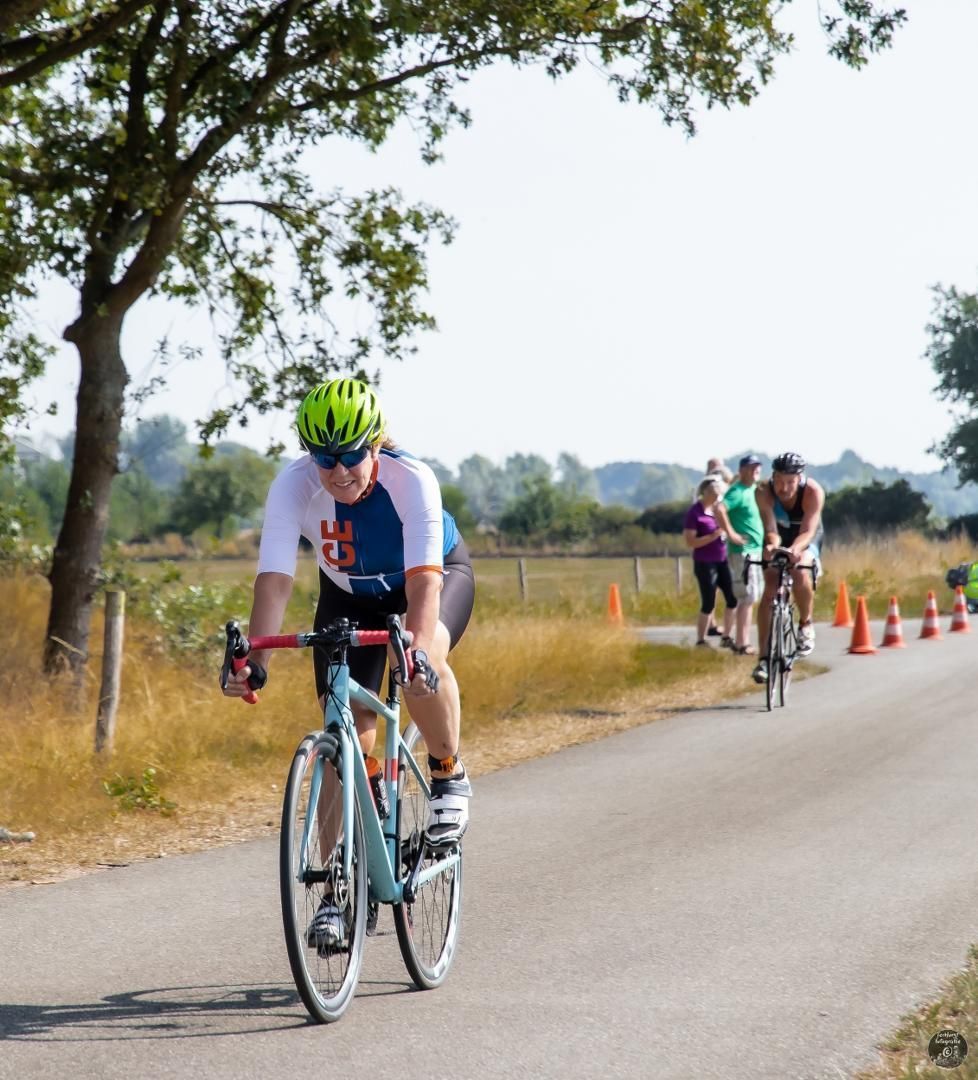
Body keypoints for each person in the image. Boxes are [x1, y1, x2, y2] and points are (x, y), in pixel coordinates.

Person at [222, 378, 475, 947]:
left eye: (350, 455)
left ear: (376, 444)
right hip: (348, 596)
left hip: (428, 581)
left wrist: (414, 649)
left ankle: (447, 773)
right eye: (323, 458)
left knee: (420, 663)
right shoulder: (292, 486)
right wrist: (255, 658)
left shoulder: (412, 479)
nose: (337, 471)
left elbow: (425, 583)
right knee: (343, 739)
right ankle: (339, 889)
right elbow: (275, 579)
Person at [752, 451, 825, 684]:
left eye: (790, 482)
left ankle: (805, 623)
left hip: (805, 537)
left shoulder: (812, 492)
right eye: (779, 481)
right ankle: (764, 659)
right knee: (770, 588)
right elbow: (770, 527)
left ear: (799, 478)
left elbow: (808, 531)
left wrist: (795, 549)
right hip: (778, 536)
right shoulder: (763, 491)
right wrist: (772, 546)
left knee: (800, 570)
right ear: (772, 477)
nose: (783, 488)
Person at [683, 476, 746, 647]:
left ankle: (726, 636)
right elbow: (690, 541)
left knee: (732, 598)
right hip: (704, 562)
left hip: (723, 560)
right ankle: (701, 640)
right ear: (704, 492)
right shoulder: (695, 512)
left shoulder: (718, 511)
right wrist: (713, 536)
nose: (716, 495)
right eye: (713, 491)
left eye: (718, 491)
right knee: (708, 601)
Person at [723, 455, 765, 655]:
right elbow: (720, 509)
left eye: (757, 467)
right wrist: (731, 534)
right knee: (747, 597)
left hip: (753, 551)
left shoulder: (752, 490)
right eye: (751, 467)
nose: (755, 470)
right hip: (743, 552)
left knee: (750, 597)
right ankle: (742, 643)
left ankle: (743, 641)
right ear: (742, 471)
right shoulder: (737, 491)